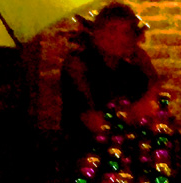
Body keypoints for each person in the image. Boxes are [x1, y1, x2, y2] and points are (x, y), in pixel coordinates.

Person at [60, 2, 160, 145]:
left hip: (128, 147)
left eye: (126, 33)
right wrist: (134, 114)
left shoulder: (131, 66)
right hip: (86, 149)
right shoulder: (78, 64)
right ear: (97, 33)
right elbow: (93, 123)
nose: (119, 38)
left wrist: (144, 62)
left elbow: (153, 101)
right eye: (112, 30)